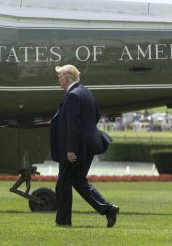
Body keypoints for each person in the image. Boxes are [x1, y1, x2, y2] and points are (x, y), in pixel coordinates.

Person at [50, 64, 119, 228]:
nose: (58, 80)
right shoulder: (85, 92)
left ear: (67, 78)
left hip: (77, 149)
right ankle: (108, 209)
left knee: (64, 183)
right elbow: (95, 116)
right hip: (87, 145)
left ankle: (63, 221)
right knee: (77, 181)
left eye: (59, 77)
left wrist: (71, 149)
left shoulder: (73, 95)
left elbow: (73, 125)